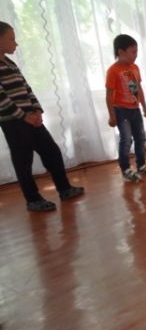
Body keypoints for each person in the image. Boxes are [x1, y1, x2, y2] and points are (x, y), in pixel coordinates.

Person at [0, 21, 84, 211]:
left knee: (51, 151)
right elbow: (2, 98)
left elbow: (26, 88)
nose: (16, 43)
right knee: (23, 162)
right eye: (11, 39)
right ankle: (33, 199)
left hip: (31, 119)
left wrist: (37, 110)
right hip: (14, 122)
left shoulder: (10, 63)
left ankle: (64, 188)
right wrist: (23, 116)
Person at [105, 34, 146, 182]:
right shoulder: (113, 70)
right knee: (126, 139)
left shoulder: (135, 68)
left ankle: (141, 165)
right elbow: (109, 95)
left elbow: (138, 88)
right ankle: (126, 169)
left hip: (135, 109)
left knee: (140, 137)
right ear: (121, 52)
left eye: (136, 51)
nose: (136, 55)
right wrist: (112, 115)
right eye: (133, 52)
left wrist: (144, 107)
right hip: (121, 110)